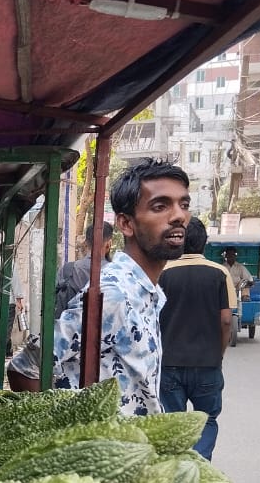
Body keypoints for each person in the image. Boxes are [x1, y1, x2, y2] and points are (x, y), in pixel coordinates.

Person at [53, 158, 190, 416]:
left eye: (183, 204)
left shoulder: (148, 293)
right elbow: (28, 365)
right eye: (161, 206)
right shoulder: (115, 294)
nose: (179, 216)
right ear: (126, 224)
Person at [159, 218, 236, 459]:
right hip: (207, 363)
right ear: (204, 243)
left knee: (174, 423)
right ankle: (199, 469)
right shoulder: (220, 273)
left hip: (169, 363)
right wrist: (219, 353)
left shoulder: (162, 272)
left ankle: (177, 472)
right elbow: (226, 320)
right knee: (207, 420)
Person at [54, 220, 114, 314]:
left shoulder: (67, 270)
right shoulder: (115, 273)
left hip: (68, 327)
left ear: (86, 242)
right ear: (109, 244)